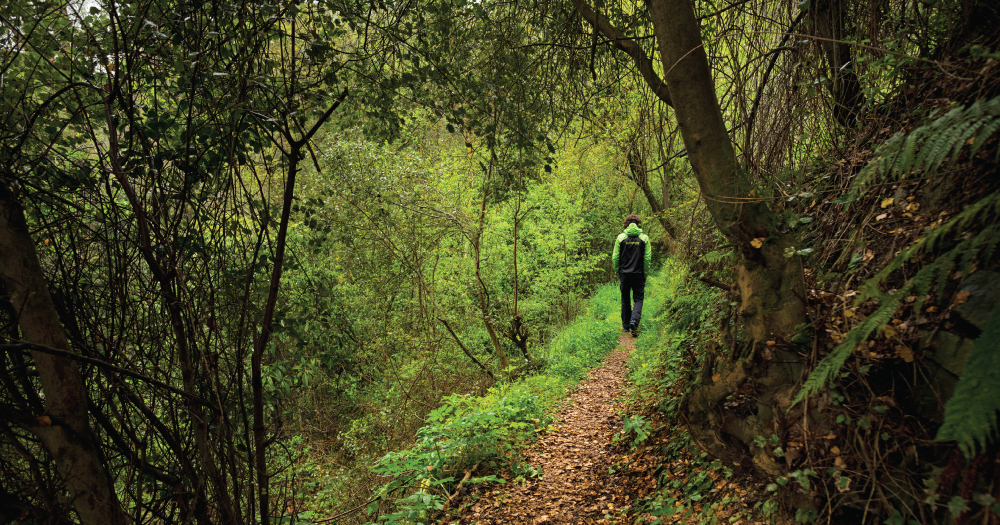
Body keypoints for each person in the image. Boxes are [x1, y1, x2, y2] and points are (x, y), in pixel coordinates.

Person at [612, 214, 651, 337]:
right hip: (639, 274)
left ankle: (626, 325)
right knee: (638, 299)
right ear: (638, 223)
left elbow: (615, 257)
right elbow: (647, 258)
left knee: (625, 299)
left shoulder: (620, 238)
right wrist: (645, 273)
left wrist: (617, 270)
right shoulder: (644, 238)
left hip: (624, 274)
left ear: (626, 224)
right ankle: (634, 322)